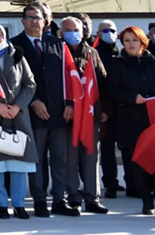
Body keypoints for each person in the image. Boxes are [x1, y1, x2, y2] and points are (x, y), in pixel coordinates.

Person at [10, 2, 75, 217]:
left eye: (37, 17)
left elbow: (69, 76)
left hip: (58, 111)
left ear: (45, 20)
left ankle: (59, 199)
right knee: (36, 160)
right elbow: (14, 80)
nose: (33, 21)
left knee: (60, 158)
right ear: (22, 21)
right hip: (31, 113)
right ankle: (39, 200)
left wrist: (70, 103)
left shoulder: (58, 43)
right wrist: (33, 101)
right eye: (29, 17)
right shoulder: (14, 45)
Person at [106, 25, 155, 215]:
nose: (130, 44)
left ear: (143, 42)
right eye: (127, 40)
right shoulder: (117, 64)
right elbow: (111, 90)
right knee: (139, 163)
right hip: (130, 121)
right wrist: (131, 97)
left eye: (134, 40)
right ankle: (147, 201)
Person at [0, 23, 37, 220]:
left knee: (19, 162)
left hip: (17, 115)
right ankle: (1, 205)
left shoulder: (17, 55)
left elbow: (29, 83)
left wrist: (18, 106)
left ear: (4, 35)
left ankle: (19, 205)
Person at [59, 16, 108, 214]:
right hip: (68, 116)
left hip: (90, 113)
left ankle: (92, 198)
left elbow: (102, 82)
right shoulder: (58, 52)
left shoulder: (92, 52)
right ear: (61, 33)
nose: (73, 33)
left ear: (83, 31)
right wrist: (67, 105)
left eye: (76, 29)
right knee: (70, 159)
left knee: (91, 157)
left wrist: (105, 110)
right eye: (68, 30)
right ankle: (73, 196)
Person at [94, 19, 122, 199]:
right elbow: (99, 84)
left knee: (127, 148)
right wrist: (104, 109)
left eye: (111, 30)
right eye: (104, 31)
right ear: (98, 34)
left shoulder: (120, 53)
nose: (109, 33)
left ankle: (131, 182)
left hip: (123, 108)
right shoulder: (96, 54)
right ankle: (110, 183)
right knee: (107, 148)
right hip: (106, 108)